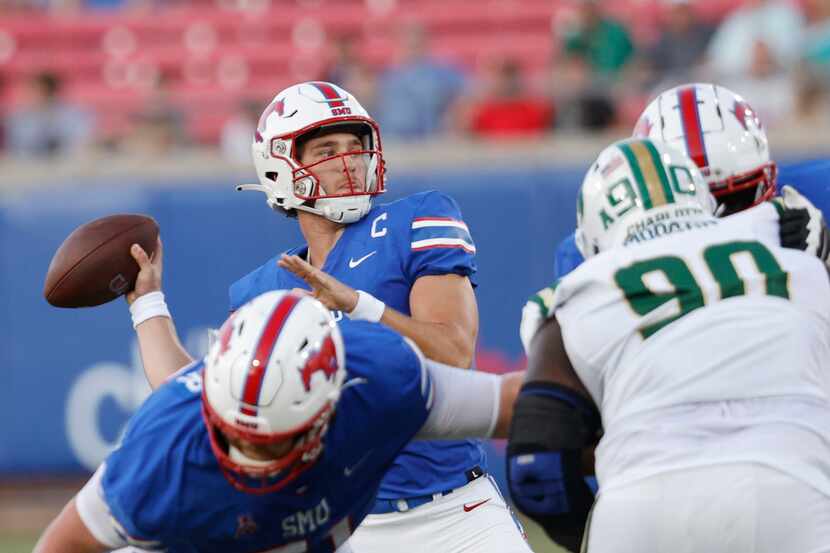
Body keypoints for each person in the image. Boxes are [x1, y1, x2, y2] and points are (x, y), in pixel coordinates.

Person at [120, 81, 530, 552]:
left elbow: (453, 352)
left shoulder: (415, 220)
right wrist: (146, 303)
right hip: (340, 527)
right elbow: (205, 400)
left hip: (456, 516)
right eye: (327, 149)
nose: (349, 160)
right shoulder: (266, 289)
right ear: (279, 166)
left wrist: (358, 304)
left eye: (356, 146)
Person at [507, 137, 830, 552]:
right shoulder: (798, 262)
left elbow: (538, 464)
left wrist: (590, 530)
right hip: (789, 494)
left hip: (643, 506)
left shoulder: (581, 295)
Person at [34, 290, 525, 553]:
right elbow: (65, 544)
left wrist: (593, 405)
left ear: (327, 412)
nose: (249, 459)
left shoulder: (380, 384)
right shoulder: (161, 455)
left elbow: (508, 404)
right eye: (233, 435)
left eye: (269, 444)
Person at [523, 82, 830, 352]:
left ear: (768, 178)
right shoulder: (592, 250)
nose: (711, 222)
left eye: (733, 199)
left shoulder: (815, 196)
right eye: (691, 202)